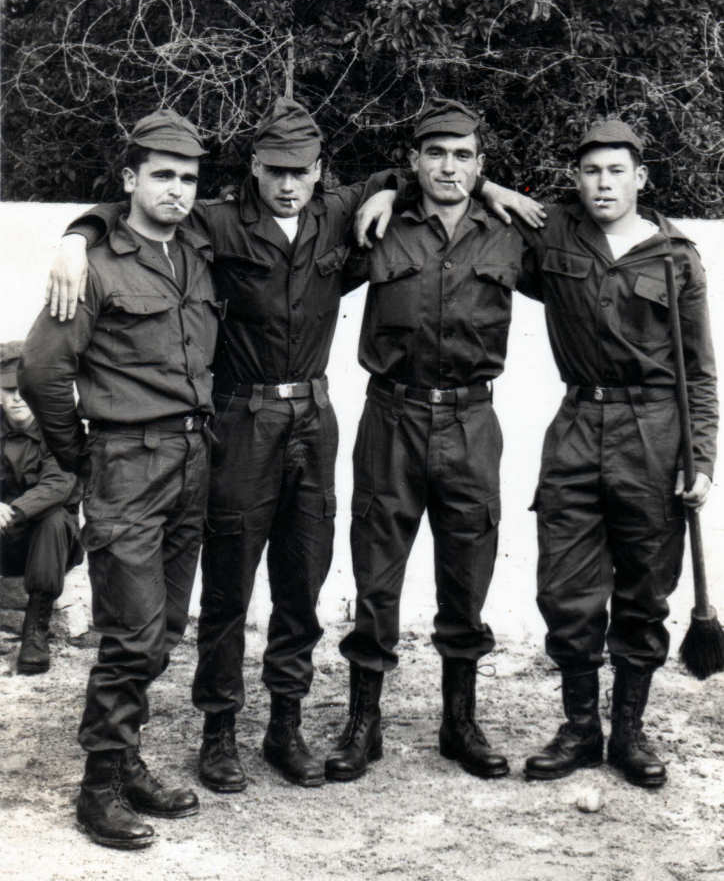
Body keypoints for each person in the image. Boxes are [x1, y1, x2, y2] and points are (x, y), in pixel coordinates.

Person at [44, 96, 540, 794]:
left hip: (313, 416)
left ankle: (286, 725)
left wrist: (489, 188)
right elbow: (136, 211)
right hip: (240, 419)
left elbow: (427, 175)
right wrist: (76, 235)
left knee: (302, 582)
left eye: (300, 170)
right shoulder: (214, 221)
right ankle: (220, 733)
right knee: (228, 587)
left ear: (319, 171)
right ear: (253, 166)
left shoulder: (340, 213)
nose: (287, 183)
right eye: (274, 169)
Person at [19, 109, 217, 849]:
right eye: (162, 175)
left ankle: (126, 759)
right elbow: (42, 370)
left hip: (193, 457)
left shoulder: (198, 251)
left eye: (188, 178)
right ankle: (98, 787)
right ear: (130, 180)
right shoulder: (96, 266)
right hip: (127, 461)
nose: (177, 189)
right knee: (131, 634)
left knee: (163, 629)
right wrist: (78, 454)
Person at [325, 98, 525, 783]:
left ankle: (459, 721)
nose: (448, 167)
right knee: (376, 573)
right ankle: (363, 722)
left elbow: (602, 238)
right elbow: (299, 242)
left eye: (463, 156)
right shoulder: (379, 226)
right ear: (414, 161)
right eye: (435, 153)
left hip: (472, 421)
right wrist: (385, 190)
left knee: (468, 571)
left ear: (480, 165)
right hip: (393, 416)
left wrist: (496, 193)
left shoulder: (509, 234)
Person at [516, 120, 718, 788]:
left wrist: (701, 459)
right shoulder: (554, 235)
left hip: (653, 435)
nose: (603, 184)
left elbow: (700, 371)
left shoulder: (675, 257)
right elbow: (474, 198)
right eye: (591, 171)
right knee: (564, 589)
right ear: (575, 179)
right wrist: (491, 188)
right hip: (577, 424)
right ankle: (580, 729)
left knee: (644, 589)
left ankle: (628, 732)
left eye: (616, 171)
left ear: (641, 178)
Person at [0, 339, 81, 675]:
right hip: (6, 541)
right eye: (8, 390)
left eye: (23, 390)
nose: (17, 398)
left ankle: (36, 629)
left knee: (54, 518)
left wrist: (12, 510)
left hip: (49, 545)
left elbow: (59, 483)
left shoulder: (59, 428)